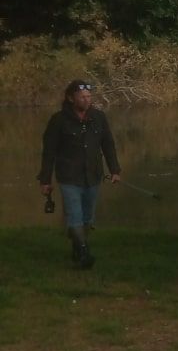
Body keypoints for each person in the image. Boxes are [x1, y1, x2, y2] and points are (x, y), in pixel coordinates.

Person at [38, 80, 121, 269]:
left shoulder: (99, 117)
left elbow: (108, 144)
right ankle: (84, 253)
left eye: (89, 96)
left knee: (87, 218)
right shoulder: (58, 120)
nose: (86, 99)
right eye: (82, 96)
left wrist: (115, 170)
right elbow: (49, 152)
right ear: (70, 98)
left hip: (93, 175)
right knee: (74, 215)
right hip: (69, 177)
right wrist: (45, 180)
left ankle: (78, 247)